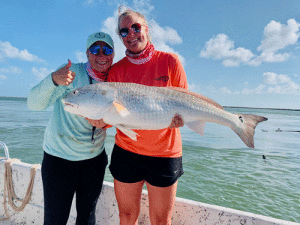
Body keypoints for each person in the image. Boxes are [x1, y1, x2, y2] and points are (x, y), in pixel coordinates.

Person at [107, 7, 188, 225]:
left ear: (146, 28)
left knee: (161, 220)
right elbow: (113, 112)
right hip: (127, 151)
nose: (131, 34)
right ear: (121, 37)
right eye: (124, 32)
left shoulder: (170, 62)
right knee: (126, 215)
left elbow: (185, 102)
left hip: (165, 153)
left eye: (135, 27)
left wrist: (182, 119)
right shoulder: (115, 72)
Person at [27, 32, 114, 225]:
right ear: (87, 53)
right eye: (95, 49)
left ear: (113, 54)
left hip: (93, 161)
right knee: (55, 220)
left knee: (87, 218)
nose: (101, 55)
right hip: (59, 160)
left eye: (107, 49)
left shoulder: (115, 78)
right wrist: (53, 80)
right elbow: (33, 104)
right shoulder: (70, 72)